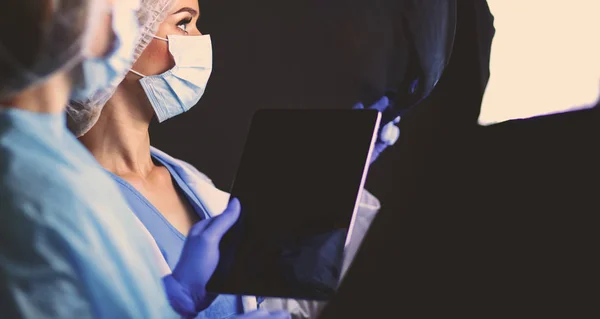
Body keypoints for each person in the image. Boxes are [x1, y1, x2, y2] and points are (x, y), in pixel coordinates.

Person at [66, 0, 401, 317]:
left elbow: (278, 305)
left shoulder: (192, 184)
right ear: (115, 41)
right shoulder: (61, 204)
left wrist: (340, 183)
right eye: (184, 23)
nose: (201, 40)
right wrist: (175, 300)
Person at [0, 0, 288, 318]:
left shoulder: (190, 183)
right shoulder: (36, 183)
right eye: (183, 23)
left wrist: (176, 298)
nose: (116, 16)